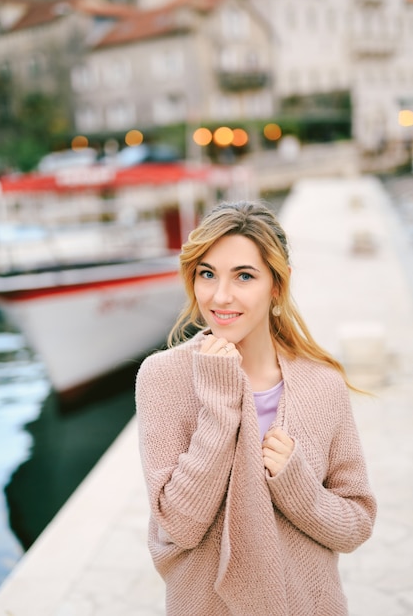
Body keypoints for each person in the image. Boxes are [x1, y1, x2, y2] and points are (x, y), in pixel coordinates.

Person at [135, 200, 376, 616]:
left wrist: (296, 485)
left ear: (276, 286)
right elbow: (179, 525)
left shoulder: (322, 385)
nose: (220, 295)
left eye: (244, 276)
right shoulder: (162, 377)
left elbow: (356, 524)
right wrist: (220, 408)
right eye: (207, 274)